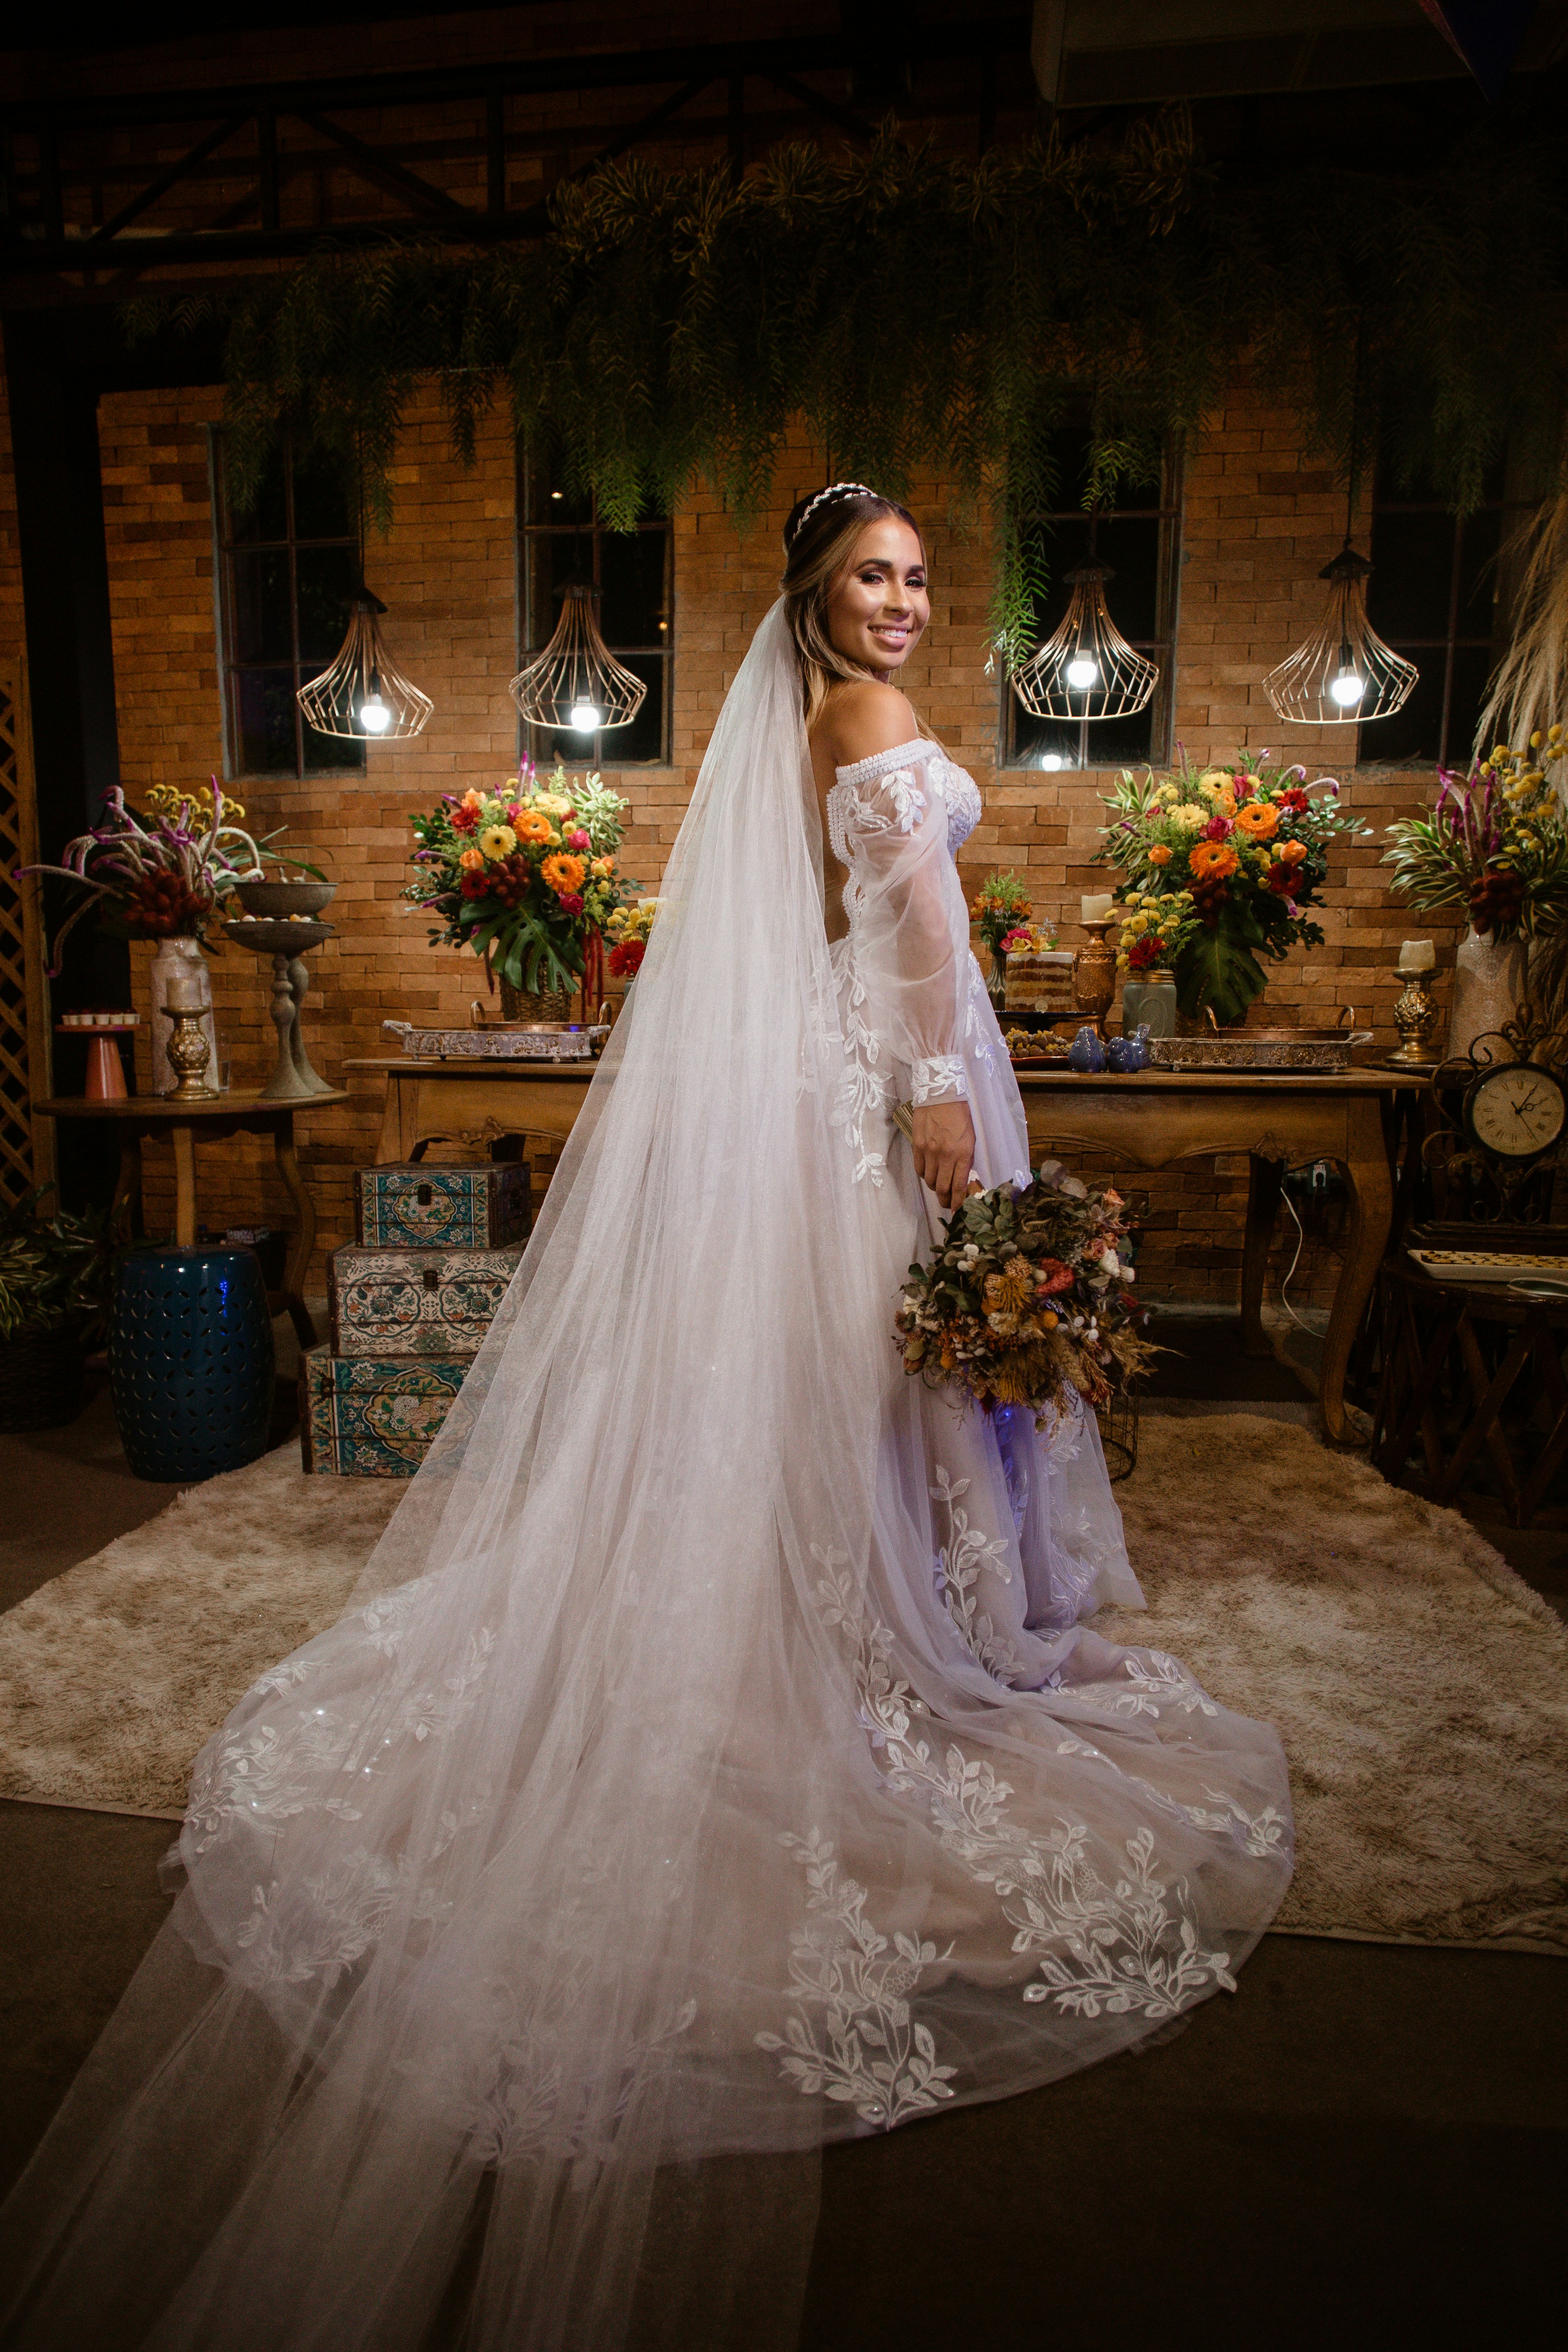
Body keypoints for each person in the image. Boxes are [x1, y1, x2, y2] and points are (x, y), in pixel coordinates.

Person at [1, 487, 1292, 2352]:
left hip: (833, 1088)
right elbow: (918, 918)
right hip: (898, 1086)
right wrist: (941, 1087)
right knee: (894, 1366)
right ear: (813, 594)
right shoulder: (866, 720)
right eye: (876, 575)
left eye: (924, 579)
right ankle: (898, 1634)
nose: (907, 604)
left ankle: (869, 1600)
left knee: (848, 1379)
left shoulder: (787, 715)